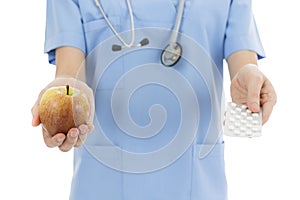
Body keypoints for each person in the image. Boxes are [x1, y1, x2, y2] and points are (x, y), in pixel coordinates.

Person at [31, 0, 277, 199]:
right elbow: (70, 70)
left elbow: (242, 59)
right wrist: (65, 88)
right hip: (102, 183)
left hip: (196, 184)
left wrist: (249, 74)